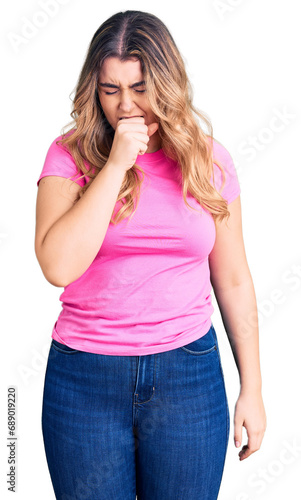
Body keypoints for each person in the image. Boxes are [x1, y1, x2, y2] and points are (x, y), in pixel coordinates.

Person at [35, 10, 266, 500]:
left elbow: (234, 280)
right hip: (84, 379)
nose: (126, 106)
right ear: (93, 90)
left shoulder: (208, 160)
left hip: (188, 375)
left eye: (140, 87)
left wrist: (253, 387)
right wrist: (117, 163)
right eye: (110, 89)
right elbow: (57, 266)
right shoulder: (69, 157)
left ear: (167, 81)